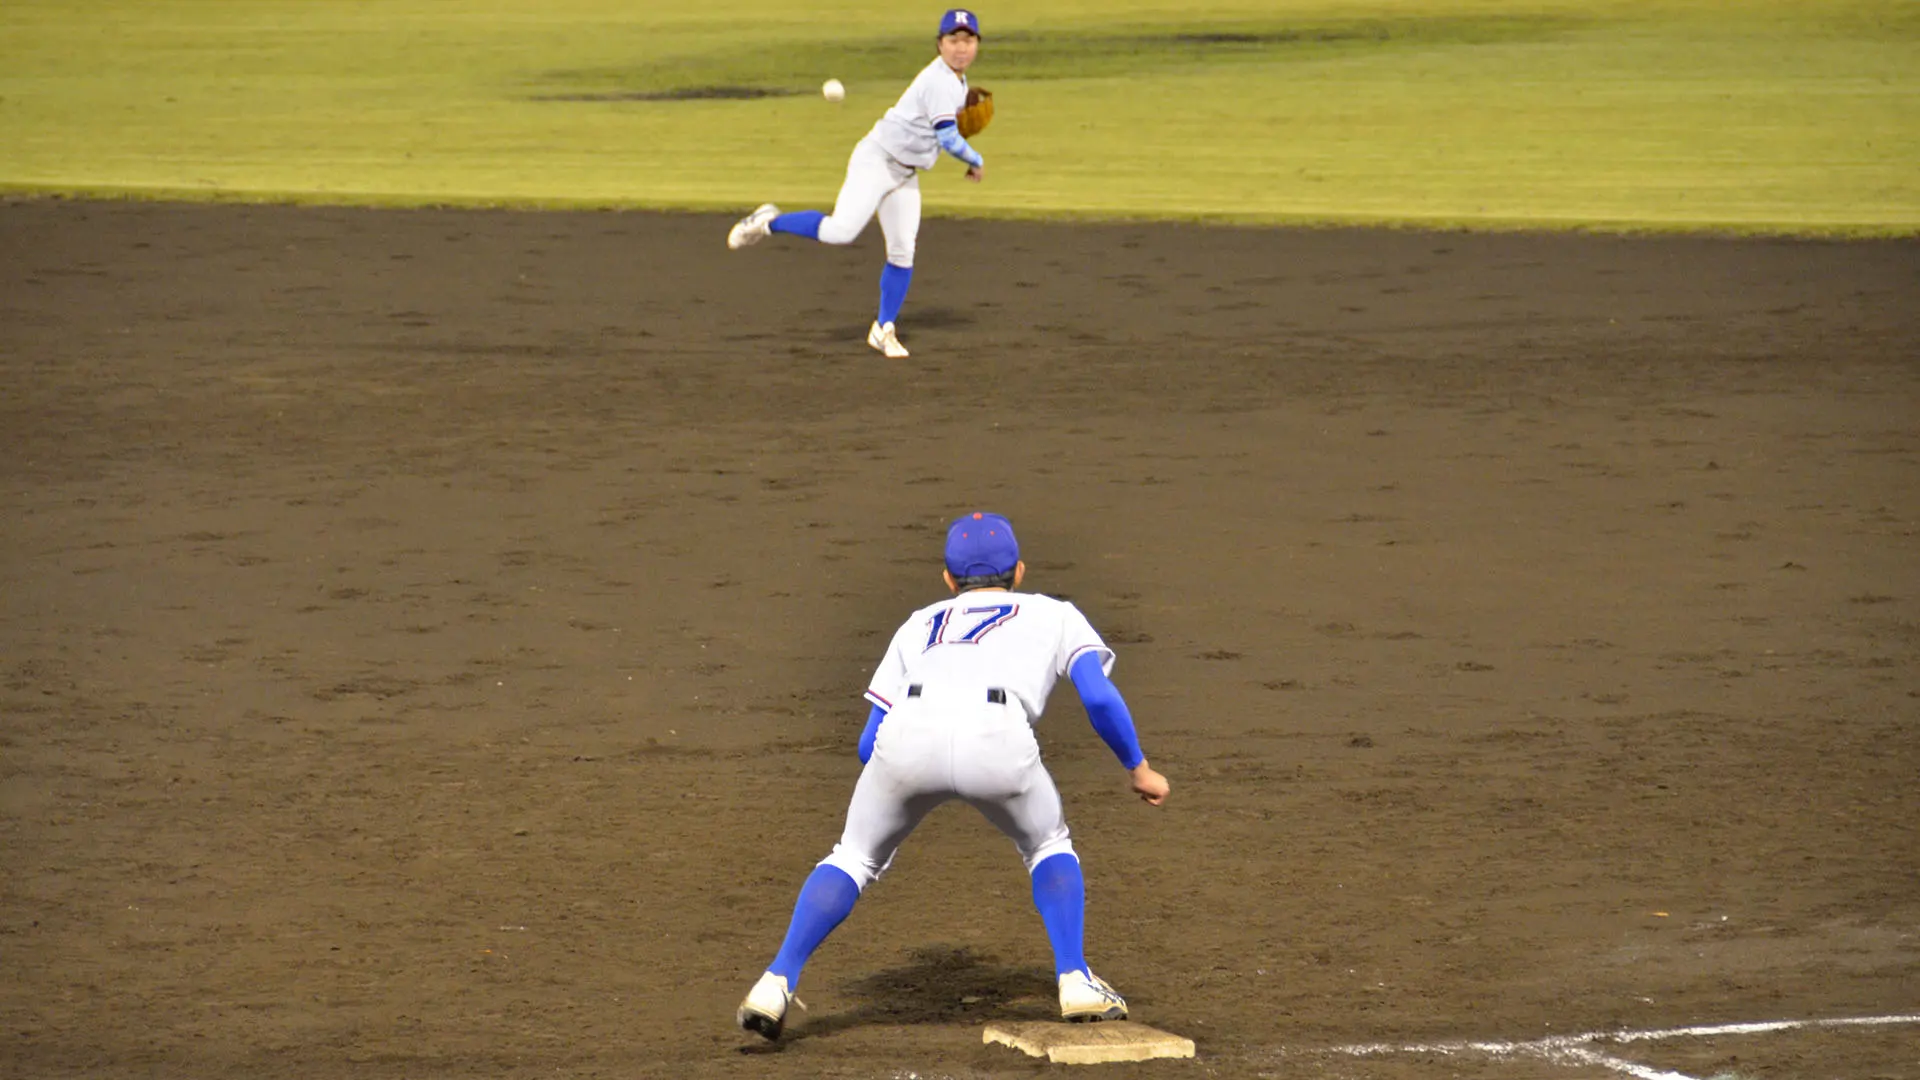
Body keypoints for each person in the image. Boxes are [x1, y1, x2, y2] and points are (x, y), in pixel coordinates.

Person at [736, 512, 1172, 1040]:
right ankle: (1075, 979)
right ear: (1019, 572)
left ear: (948, 579)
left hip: (906, 733)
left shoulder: (919, 622)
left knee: (853, 856)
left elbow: (866, 744)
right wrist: (1138, 768)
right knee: (1048, 845)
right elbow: (1098, 696)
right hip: (997, 737)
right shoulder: (1055, 614)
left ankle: (775, 980)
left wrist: (903, 777)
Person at [725, 8, 990, 360]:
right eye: (953, 40)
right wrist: (976, 159)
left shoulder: (958, 83)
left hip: (904, 174)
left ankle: (883, 329)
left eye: (968, 40)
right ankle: (766, 222)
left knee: (902, 252)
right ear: (940, 45)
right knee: (840, 231)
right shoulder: (939, 81)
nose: (961, 47)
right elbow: (948, 139)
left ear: (976, 45)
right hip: (877, 160)